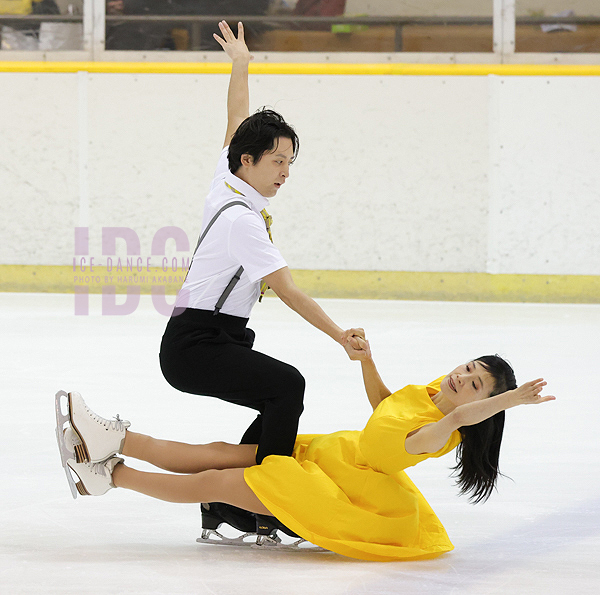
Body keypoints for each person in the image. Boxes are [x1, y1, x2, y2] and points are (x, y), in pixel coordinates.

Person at [56, 337, 555, 562]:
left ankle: (109, 476)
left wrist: (508, 400)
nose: (460, 377)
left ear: (481, 407)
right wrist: (367, 361)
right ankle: (115, 439)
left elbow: (458, 418)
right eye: (467, 368)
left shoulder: (445, 430)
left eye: (473, 385)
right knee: (222, 451)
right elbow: (384, 407)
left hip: (339, 491)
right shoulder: (431, 394)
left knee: (214, 483)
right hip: (326, 453)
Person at [159, 20, 363, 467]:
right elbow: (288, 290)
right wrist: (340, 337)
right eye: (276, 161)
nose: (285, 173)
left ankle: (230, 498)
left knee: (280, 394)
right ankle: (263, 502)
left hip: (211, 338)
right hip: (197, 344)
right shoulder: (242, 221)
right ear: (247, 161)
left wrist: (241, 64)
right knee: (287, 387)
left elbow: (236, 120)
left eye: (289, 162)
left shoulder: (227, 180)